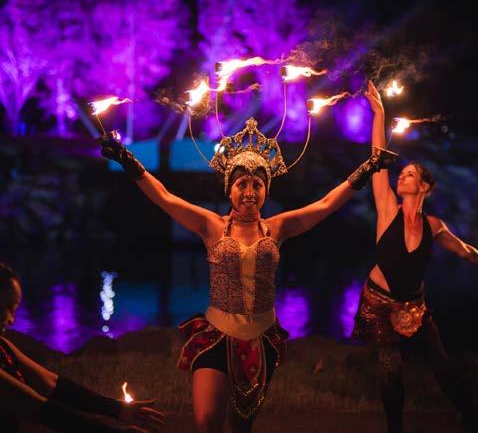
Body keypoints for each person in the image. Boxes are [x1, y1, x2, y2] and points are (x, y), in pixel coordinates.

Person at [100, 117, 395, 433]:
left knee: (242, 426)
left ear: (266, 190)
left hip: (259, 341)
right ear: (229, 190)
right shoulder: (212, 226)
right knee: (206, 424)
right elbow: (164, 197)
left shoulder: (277, 228)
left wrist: (368, 168)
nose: (250, 192)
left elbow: (325, 204)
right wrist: (126, 158)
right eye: (242, 184)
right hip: (215, 337)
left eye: (257, 184)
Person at [352, 81, 478, 433]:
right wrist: (379, 113)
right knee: (391, 372)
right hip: (378, 305)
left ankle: (473, 419)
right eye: (403, 173)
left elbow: (467, 252)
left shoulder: (434, 225)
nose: (403, 175)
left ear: (424, 187)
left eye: (411, 174)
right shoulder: (387, 208)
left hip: (415, 308)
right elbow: (378, 160)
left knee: (443, 365)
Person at [0, 261, 166, 433]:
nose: (12, 320)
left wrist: (118, 409)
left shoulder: (3, 347)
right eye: (8, 307)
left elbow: (52, 383)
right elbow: (38, 407)